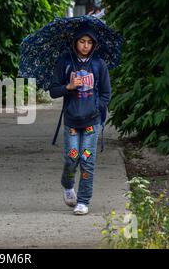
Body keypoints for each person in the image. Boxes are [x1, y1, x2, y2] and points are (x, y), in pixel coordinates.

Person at [49, 25, 111, 215]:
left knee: (87, 160)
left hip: (92, 121)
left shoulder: (99, 64)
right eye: (82, 41)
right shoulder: (65, 62)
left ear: (94, 44)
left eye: (89, 42)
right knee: (72, 157)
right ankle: (68, 185)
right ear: (75, 42)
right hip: (72, 121)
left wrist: (96, 107)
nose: (85, 46)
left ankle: (83, 201)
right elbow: (53, 91)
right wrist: (68, 86)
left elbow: (107, 93)